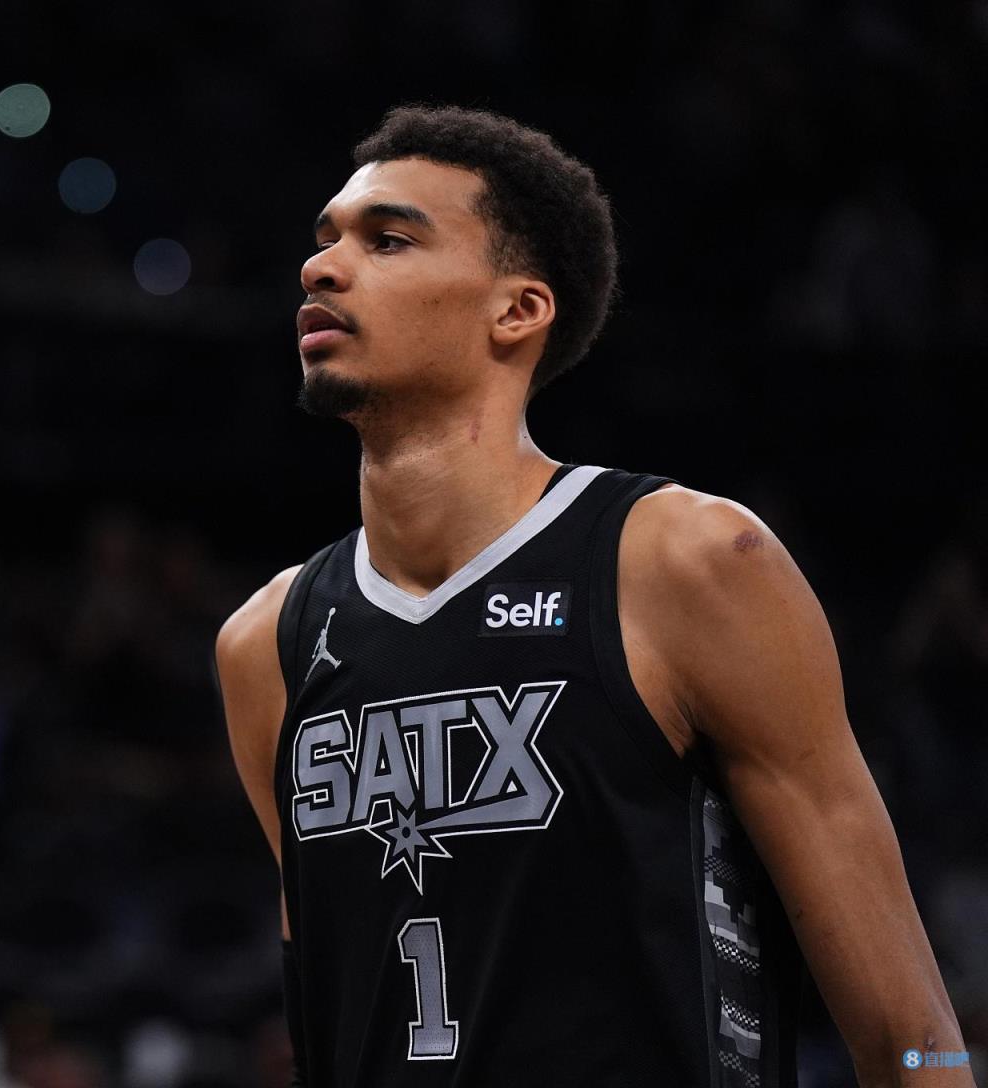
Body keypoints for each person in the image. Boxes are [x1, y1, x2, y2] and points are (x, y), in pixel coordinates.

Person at [213, 104, 972, 1087]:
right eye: (325, 240)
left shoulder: (687, 561)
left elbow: (910, 1028)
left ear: (517, 310)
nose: (321, 267)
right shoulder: (265, 642)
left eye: (387, 239)